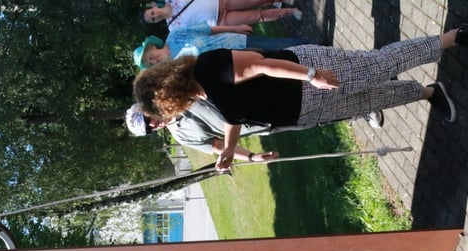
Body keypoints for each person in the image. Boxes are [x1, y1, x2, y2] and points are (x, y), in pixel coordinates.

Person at [134, 27, 463, 170]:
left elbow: (261, 64)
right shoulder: (200, 94)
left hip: (303, 77)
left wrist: (311, 74)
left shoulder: (207, 69)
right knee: (367, 101)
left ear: (168, 94)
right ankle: (427, 92)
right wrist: (232, 150)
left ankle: (452, 38)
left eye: (161, 110)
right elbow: (232, 118)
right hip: (302, 110)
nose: (166, 116)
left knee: (377, 66)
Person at [125, 100, 383, 159]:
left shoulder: (176, 95)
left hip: (261, 97)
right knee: (316, 118)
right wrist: (250, 157)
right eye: (149, 129)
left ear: (145, 107)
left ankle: (374, 81)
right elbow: (219, 147)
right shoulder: (182, 136)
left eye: (147, 120)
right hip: (263, 125)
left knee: (318, 93)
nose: (153, 125)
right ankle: (363, 109)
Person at [132, 22, 306, 69]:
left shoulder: (175, 35)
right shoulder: (175, 68)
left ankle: (314, 46)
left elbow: (208, 29)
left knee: (277, 45)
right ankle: (310, 62)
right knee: (276, 62)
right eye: (150, 63)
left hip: (234, 42)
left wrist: (236, 28)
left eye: (150, 57)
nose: (154, 60)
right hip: (233, 64)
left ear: (152, 47)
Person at [142, 0, 301, 31]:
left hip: (221, 2)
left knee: (256, 0)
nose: (156, 16)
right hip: (220, 20)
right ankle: (290, 12)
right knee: (257, 16)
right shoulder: (173, 28)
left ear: (153, 7)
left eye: (152, 13)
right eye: (153, 19)